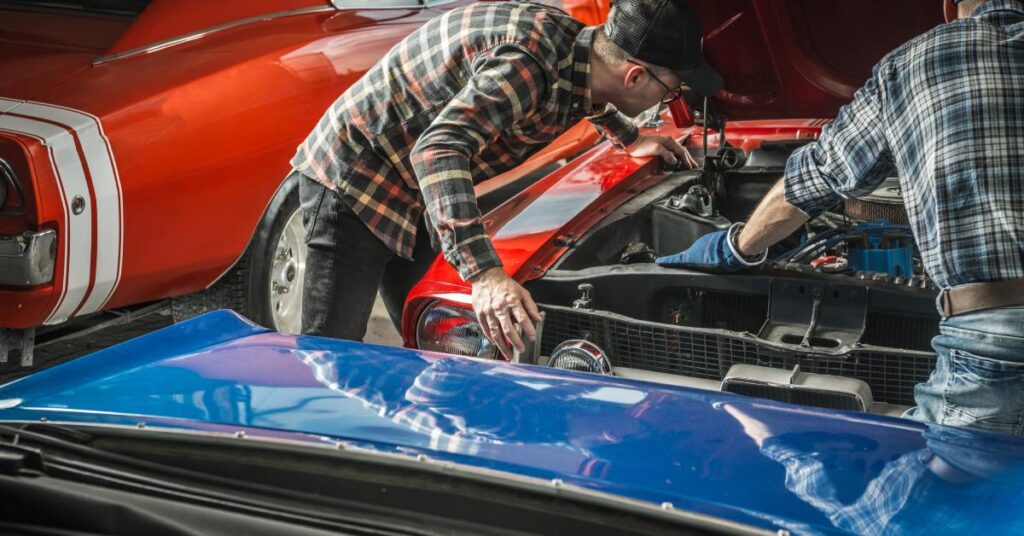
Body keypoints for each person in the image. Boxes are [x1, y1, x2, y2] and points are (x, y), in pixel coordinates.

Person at [657, 0, 1024, 434]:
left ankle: (784, 458)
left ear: (948, 8)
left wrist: (733, 246)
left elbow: (816, 177)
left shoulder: (916, 62)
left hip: (994, 338)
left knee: (933, 486)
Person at [290, 0, 721, 356]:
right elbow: (437, 149)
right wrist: (486, 276)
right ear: (635, 75)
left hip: (414, 188)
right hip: (357, 178)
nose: (672, 97)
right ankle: (304, 450)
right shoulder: (530, 63)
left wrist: (630, 138)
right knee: (333, 354)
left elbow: (583, 93)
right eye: (671, 90)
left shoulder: (579, 53)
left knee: (438, 336)